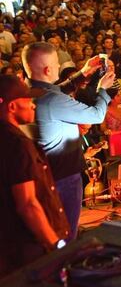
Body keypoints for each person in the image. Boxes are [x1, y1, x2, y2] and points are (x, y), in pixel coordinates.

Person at [23, 42, 115, 241]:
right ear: (48, 69)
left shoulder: (28, 91)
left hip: (47, 175)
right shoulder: (51, 101)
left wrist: (83, 73)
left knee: (53, 231)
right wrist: (103, 90)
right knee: (66, 234)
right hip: (64, 178)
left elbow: (57, 89)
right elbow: (96, 115)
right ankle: (63, 268)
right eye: (57, 63)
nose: (60, 67)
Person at [0, 75, 69, 276]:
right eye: (28, 100)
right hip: (26, 248)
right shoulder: (17, 144)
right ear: (12, 107)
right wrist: (55, 246)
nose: (33, 105)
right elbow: (28, 204)